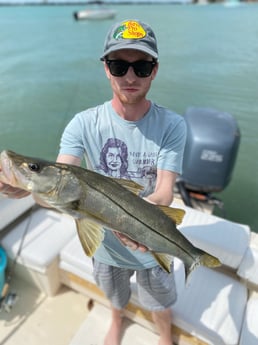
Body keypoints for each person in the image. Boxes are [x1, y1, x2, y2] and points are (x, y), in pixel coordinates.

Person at [0, 19, 186, 345]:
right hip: (104, 247)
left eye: (141, 66)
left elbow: (165, 192)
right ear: (106, 68)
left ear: (154, 70)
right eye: (118, 65)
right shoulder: (82, 124)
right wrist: (27, 187)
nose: (129, 76)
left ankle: (165, 335)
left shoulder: (172, 125)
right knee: (114, 294)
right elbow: (61, 180)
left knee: (160, 300)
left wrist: (142, 225)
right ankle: (117, 321)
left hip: (151, 240)